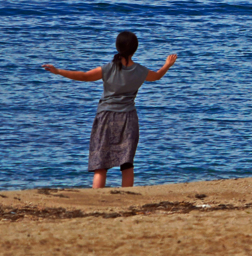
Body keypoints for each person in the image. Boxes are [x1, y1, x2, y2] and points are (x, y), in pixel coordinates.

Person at [43, 31, 177, 189]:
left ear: (117, 47)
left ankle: (97, 197)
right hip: (128, 117)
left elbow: (84, 76)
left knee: (101, 163)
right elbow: (157, 76)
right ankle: (127, 196)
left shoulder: (108, 68)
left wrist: (58, 71)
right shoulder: (141, 71)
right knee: (126, 162)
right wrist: (167, 64)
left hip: (106, 116)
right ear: (135, 49)